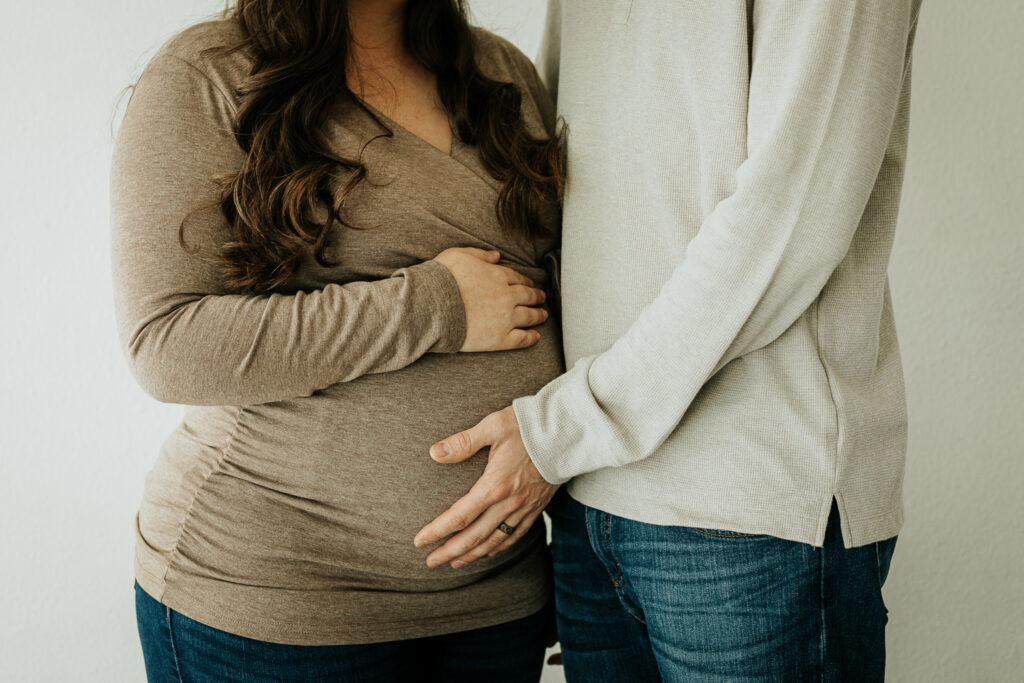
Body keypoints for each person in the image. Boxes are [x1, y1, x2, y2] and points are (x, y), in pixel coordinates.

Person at [416, 1, 922, 680]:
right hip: (587, 498)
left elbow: (788, 223)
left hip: (749, 513)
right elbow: (562, 173)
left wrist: (564, 428)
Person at [110, 1, 565, 680]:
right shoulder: (206, 74)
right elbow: (168, 342)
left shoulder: (500, 73)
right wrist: (431, 306)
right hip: (276, 605)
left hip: (495, 607)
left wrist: (555, 435)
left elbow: (566, 290)